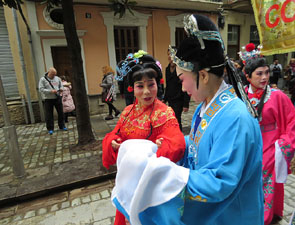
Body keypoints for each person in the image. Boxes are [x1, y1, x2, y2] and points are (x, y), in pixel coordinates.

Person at [110, 14, 264, 225]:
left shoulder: (235, 118)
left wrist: (167, 176)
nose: (182, 87)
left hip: (232, 215)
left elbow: (221, 181)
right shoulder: (206, 107)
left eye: (182, 78)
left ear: (203, 75)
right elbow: (199, 148)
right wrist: (165, 149)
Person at [102, 51, 186, 225]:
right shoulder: (127, 112)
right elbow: (115, 134)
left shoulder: (164, 113)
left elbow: (177, 142)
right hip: (128, 179)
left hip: (151, 186)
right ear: (132, 88)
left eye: (151, 84)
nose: (147, 92)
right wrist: (113, 142)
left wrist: (162, 147)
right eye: (140, 86)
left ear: (158, 84)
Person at [241, 43, 295, 225]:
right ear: (247, 76)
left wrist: (282, 144)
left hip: (270, 145)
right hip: (248, 144)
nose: (265, 77)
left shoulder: (277, 95)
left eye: (266, 72)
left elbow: (293, 119)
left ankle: (263, 218)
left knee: (265, 181)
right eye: (259, 73)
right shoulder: (240, 96)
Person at [163, 47, 190, 131]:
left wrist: (186, 104)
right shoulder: (167, 69)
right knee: (171, 118)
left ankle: (179, 135)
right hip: (171, 99)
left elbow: (187, 87)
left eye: (171, 54)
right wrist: (165, 99)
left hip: (179, 99)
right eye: (168, 55)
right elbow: (168, 85)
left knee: (177, 119)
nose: (169, 57)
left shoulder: (181, 69)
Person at [39, 67, 67, 135]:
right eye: (52, 74)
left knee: (61, 113)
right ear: (49, 73)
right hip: (48, 99)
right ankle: (50, 128)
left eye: (55, 74)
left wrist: (61, 89)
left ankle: (62, 126)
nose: (54, 76)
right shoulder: (43, 79)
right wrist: (50, 91)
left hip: (57, 97)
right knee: (49, 114)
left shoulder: (57, 78)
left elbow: (61, 86)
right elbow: (41, 89)